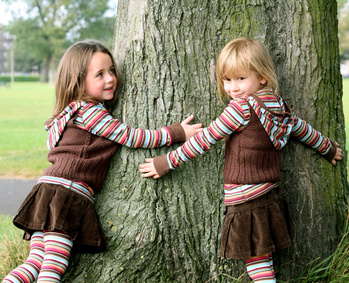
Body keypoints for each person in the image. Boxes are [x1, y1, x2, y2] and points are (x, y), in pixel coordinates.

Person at [139, 37, 342, 282]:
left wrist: (167, 162)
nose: (233, 88)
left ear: (262, 76)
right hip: (269, 194)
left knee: (257, 262)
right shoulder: (279, 106)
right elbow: (301, 128)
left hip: (246, 196)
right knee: (262, 256)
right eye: (227, 80)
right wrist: (327, 147)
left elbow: (206, 140)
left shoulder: (241, 108)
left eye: (241, 79)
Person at [2, 40, 202, 283]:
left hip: (46, 193)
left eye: (111, 71)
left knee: (33, 264)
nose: (110, 79)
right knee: (52, 269)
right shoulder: (92, 112)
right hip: (68, 195)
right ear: (78, 82)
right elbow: (131, 137)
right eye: (99, 74)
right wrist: (176, 132)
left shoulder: (70, 111)